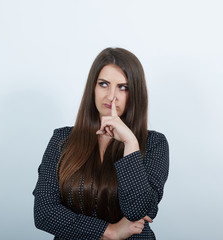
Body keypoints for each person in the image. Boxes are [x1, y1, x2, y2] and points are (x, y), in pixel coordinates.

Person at [33, 47, 169, 240]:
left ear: (135, 93)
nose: (111, 96)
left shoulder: (155, 143)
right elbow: (44, 213)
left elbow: (138, 210)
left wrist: (130, 142)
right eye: (104, 84)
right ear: (93, 88)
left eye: (123, 87)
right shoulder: (62, 140)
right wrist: (110, 231)